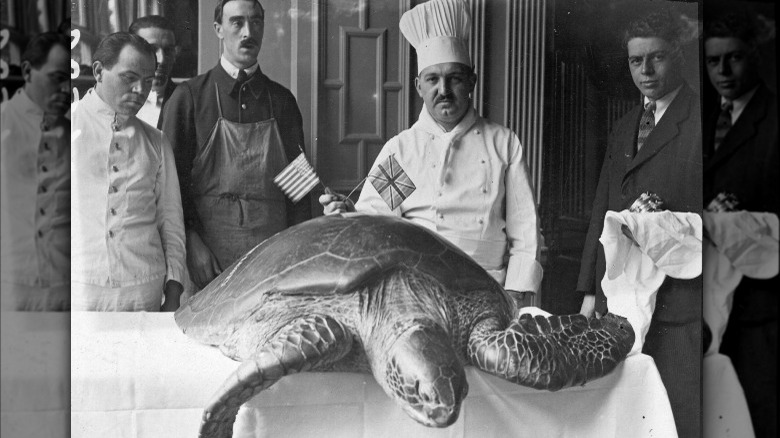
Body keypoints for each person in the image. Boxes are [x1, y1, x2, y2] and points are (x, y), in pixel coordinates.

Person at [319, 0, 543, 310]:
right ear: (418, 86)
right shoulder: (403, 150)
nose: (444, 90)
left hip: (488, 293)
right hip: (417, 296)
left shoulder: (503, 144)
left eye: (455, 78)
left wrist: (516, 296)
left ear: (472, 82)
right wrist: (350, 213)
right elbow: (377, 222)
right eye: (433, 80)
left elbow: (525, 232)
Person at [575, 10, 702, 438]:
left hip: (680, 305)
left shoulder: (704, 120)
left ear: (679, 57)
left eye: (657, 58)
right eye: (635, 61)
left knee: (678, 418)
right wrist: (591, 292)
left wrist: (661, 219)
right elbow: (603, 207)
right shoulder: (626, 125)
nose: (645, 70)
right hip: (623, 301)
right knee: (625, 420)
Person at [162, 0, 311, 290]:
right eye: (237, 22)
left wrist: (295, 257)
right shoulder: (189, 97)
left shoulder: (282, 101)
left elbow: (300, 190)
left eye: (256, 22)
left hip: (271, 262)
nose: (248, 32)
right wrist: (191, 242)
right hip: (207, 263)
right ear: (218, 29)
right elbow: (169, 186)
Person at [71, 32, 186, 311]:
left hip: (143, 292)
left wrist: (173, 289)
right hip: (77, 291)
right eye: (129, 78)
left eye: (147, 81)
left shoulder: (155, 141)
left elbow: (170, 222)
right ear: (98, 71)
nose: (140, 90)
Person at [703, 11, 778, 438]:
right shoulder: (707, 120)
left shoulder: (772, 120)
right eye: (714, 62)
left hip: (761, 310)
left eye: (733, 58)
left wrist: (735, 216)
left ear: (754, 57)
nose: (723, 72)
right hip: (716, 308)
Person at [0, 32, 70, 311]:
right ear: (28, 71)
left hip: (64, 295)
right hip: (9, 291)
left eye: (69, 80)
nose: (64, 90)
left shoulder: (73, 135)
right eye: (56, 78)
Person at [129, 15, 179, 128]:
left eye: (168, 50)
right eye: (152, 49)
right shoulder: (110, 99)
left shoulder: (186, 102)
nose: (162, 59)